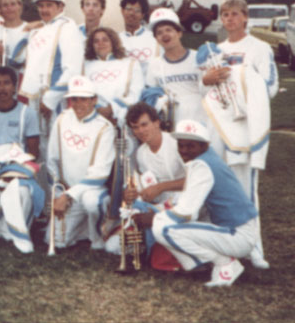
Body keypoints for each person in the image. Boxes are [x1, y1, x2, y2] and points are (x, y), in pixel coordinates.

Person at [133, 120, 260, 287]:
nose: (184, 151)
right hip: (238, 231)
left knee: (163, 229)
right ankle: (220, 262)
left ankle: (224, 263)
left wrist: (152, 218)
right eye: (181, 145)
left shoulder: (202, 164)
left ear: (204, 145)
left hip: (238, 235)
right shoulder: (207, 159)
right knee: (166, 224)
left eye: (190, 146)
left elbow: (186, 213)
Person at [197, 41, 271, 269]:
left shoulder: (243, 72)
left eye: (215, 60)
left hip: (242, 143)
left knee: (246, 194)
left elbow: (262, 104)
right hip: (217, 143)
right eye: (206, 64)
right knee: (214, 192)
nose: (212, 65)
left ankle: (254, 247)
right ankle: (222, 243)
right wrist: (205, 80)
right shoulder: (205, 81)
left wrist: (257, 151)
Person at [103, 103, 185, 255]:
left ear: (157, 123)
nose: (140, 131)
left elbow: (194, 180)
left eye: (144, 124)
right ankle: (146, 241)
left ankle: (154, 243)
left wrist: (161, 187)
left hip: (184, 202)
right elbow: (148, 185)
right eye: (135, 127)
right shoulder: (141, 153)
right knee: (112, 247)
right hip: (158, 206)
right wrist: (133, 194)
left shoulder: (176, 144)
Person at [46, 76, 116, 250]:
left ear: (94, 100)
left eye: (84, 99)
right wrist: (58, 192)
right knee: (55, 241)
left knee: (92, 203)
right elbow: (51, 160)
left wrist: (69, 196)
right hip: (66, 191)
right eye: (74, 99)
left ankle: (98, 236)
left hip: (90, 191)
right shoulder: (61, 119)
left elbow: (100, 174)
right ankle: (82, 227)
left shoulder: (105, 128)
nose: (78, 104)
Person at [13, 0, 84, 151]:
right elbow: (16, 58)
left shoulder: (67, 26)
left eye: (49, 5)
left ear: (60, 7)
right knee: (39, 147)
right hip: (35, 98)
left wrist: (50, 98)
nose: (44, 10)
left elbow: (72, 69)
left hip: (55, 99)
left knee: (57, 146)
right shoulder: (39, 30)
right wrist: (26, 31)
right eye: (41, 6)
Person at [0, 145, 44, 253]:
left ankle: (19, 232)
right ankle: (6, 230)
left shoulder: (29, 186)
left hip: (22, 196)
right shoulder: (1, 180)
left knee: (23, 192)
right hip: (1, 219)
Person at [203, 0, 278, 99]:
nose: (230, 18)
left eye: (234, 14)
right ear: (221, 19)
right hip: (225, 112)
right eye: (226, 15)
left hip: (252, 111)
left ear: (245, 17)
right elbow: (206, 92)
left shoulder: (261, 47)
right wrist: (206, 80)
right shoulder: (217, 50)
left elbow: (271, 86)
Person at [144, 8, 207, 129]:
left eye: (169, 30)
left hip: (202, 122)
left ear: (179, 33)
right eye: (159, 32)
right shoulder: (154, 65)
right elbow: (152, 97)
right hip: (173, 124)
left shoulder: (198, 58)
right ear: (156, 38)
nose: (164, 35)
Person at [0, 67, 40, 180]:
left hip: (18, 173)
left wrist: (22, 175)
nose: (2, 88)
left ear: (14, 87)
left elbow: (33, 153)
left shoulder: (28, 114)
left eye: (7, 83)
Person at [83, 27, 143, 127]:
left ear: (113, 42)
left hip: (122, 118)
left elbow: (136, 91)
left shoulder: (130, 63)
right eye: (96, 41)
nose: (100, 43)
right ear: (92, 45)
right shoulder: (85, 66)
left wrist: (111, 109)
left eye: (105, 40)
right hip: (94, 117)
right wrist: (98, 109)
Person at [118, 0, 159, 75]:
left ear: (143, 14)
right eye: (128, 9)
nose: (132, 13)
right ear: (122, 11)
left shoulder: (153, 38)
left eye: (137, 10)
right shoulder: (116, 40)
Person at [0, 0, 29, 72]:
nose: (9, 8)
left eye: (13, 4)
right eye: (5, 5)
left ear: (20, 6)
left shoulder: (31, 30)